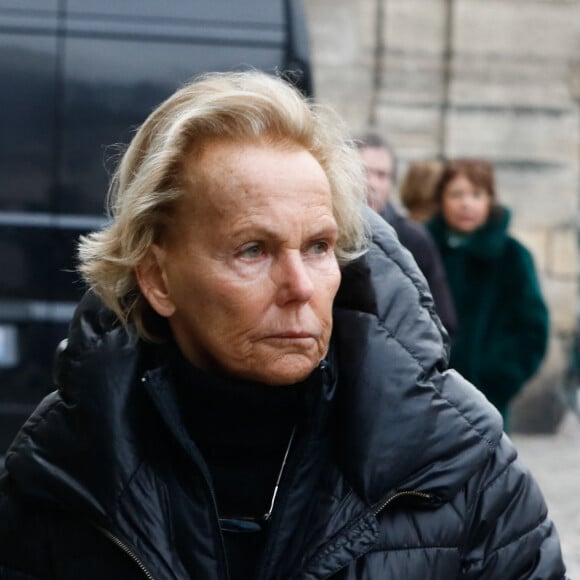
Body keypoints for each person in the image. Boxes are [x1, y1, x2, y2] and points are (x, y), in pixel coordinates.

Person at [0, 72, 567, 579]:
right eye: (253, 249)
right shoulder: (66, 461)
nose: (300, 285)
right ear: (158, 279)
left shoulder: (459, 457)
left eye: (319, 246)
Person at [427, 158, 549, 430]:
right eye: (456, 194)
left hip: (487, 402)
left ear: (489, 200)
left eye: (476, 195)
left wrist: (499, 377)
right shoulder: (422, 250)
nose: (466, 204)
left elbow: (533, 330)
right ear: (441, 199)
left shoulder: (513, 257)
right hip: (424, 400)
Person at [355, 132, 457, 339]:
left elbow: (442, 320)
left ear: (392, 183)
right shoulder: (323, 230)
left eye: (381, 175)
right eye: (362, 172)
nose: (371, 183)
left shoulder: (413, 240)